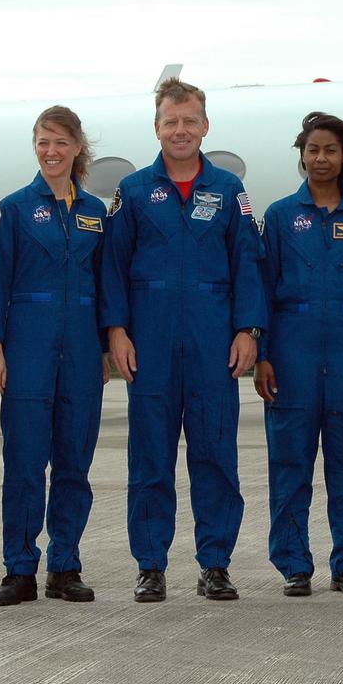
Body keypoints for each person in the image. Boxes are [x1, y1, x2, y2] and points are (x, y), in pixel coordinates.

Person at [100, 77, 266, 602]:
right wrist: (117, 332)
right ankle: (150, 563)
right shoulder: (132, 192)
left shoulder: (228, 191)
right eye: (171, 121)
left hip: (213, 341)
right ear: (157, 126)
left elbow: (248, 264)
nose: (180, 130)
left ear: (204, 125)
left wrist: (247, 329)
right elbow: (112, 267)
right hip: (149, 342)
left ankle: (215, 563)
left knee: (216, 455)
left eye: (189, 121)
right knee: (149, 457)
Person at [254, 112, 343, 597]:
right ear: (302, 155)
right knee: (290, 463)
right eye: (313, 150)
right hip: (290, 349)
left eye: (330, 150)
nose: (321, 158)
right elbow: (262, 289)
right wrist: (263, 353)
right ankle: (294, 565)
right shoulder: (277, 217)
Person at [0, 106, 110, 606]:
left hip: (80, 349)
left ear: (78, 147)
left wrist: (103, 347)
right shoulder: (13, 210)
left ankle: (66, 565)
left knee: (75, 462)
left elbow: (107, 288)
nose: (51, 151)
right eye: (42, 142)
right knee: (25, 463)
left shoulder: (96, 214)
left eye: (60, 142)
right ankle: (19, 568)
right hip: (27, 347)